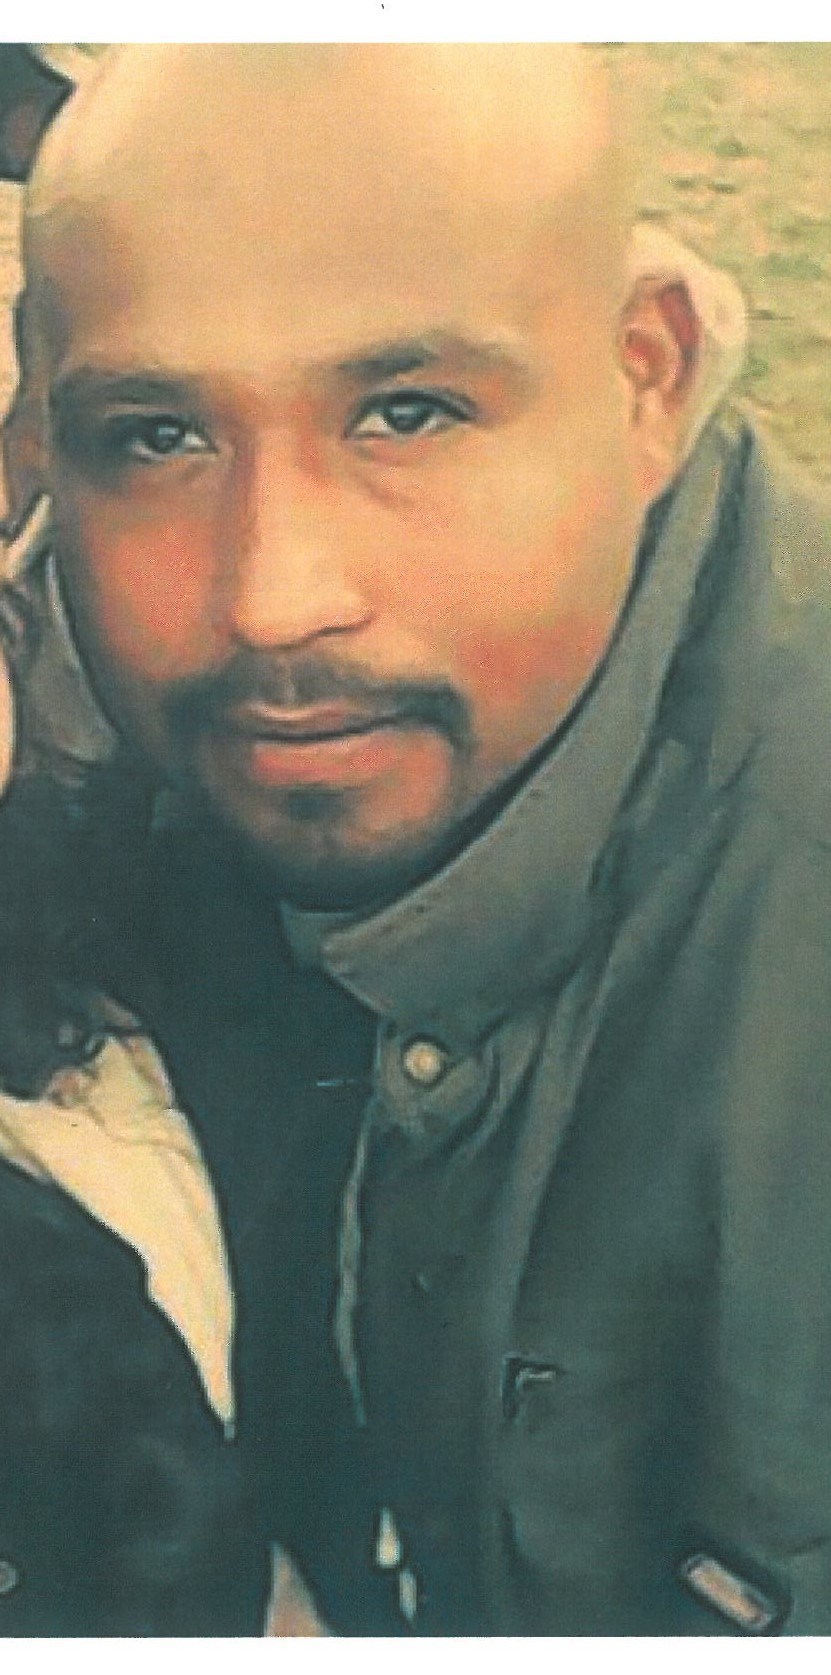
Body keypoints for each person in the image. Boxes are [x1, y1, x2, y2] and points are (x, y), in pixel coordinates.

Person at [3, 42, 831, 1636]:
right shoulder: (53, 731)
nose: (274, 597)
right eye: (157, 436)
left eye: (407, 413)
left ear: (647, 378)